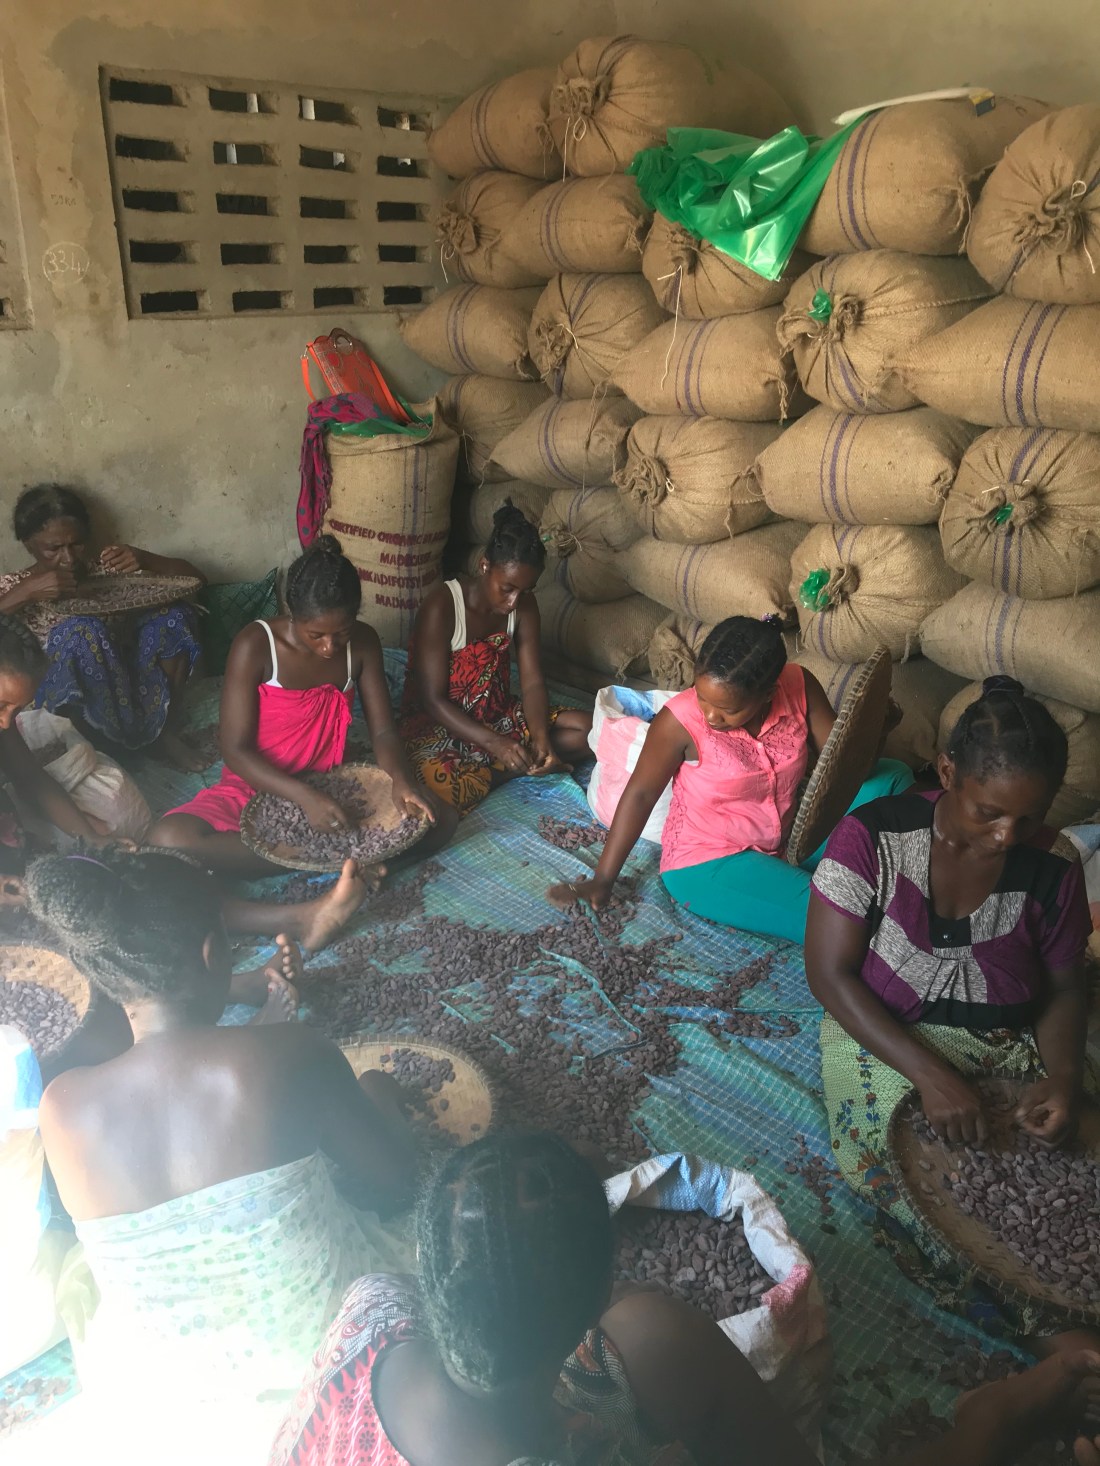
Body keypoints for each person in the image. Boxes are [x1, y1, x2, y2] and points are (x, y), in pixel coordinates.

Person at [270, 1131, 1100, 1466]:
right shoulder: (641, 1334)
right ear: (600, 1286)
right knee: (660, 1341)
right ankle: (1005, 1414)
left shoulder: (372, 1308)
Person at [24, 847, 420, 1464]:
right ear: (214, 952)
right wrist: (383, 1094)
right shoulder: (290, 1054)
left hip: (174, 1402)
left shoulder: (61, 1109)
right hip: (331, 1372)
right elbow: (396, 1178)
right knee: (378, 1104)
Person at [805, 676, 1097, 1352]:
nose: (1006, 835)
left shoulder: (1050, 864)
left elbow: (1063, 989)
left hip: (1007, 1037)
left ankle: (1072, 1306)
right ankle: (1054, 1334)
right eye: (989, 811)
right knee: (933, 1179)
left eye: (1028, 817)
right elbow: (828, 973)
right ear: (946, 774)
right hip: (885, 1033)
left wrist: (1058, 1077)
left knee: (1063, 1160)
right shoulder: (872, 838)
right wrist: (931, 1077)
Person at [0, 610, 375, 1003]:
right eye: (3, 706)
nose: (9, 721)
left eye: (17, 709)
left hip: (23, 867)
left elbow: (31, 779)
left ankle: (297, 920)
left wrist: (92, 839)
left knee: (139, 878)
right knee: (88, 947)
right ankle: (231, 986)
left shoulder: (4, 727)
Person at [548, 616, 912, 943]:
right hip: (711, 861)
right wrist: (603, 878)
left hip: (792, 838)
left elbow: (842, 766)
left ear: (768, 693)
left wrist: (871, 731)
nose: (710, 715)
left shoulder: (798, 685)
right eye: (702, 696)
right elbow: (641, 793)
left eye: (727, 709)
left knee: (892, 778)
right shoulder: (679, 722)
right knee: (838, 916)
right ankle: (865, 891)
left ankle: (888, 874)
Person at [150, 535, 452, 875]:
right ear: (293, 616)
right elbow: (234, 749)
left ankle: (315, 857)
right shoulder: (256, 645)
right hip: (260, 782)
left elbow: (382, 730)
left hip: (333, 780)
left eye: (342, 633)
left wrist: (400, 778)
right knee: (169, 838)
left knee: (440, 820)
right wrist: (304, 797)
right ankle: (338, 860)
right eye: (316, 635)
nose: (329, 647)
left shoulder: (363, 643)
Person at [398, 502, 592, 816]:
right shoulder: (443, 606)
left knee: (591, 728)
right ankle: (510, 770)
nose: (514, 601)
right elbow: (432, 701)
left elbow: (531, 683)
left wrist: (541, 737)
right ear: (485, 566)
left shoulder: (524, 608)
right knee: (441, 783)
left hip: (497, 713)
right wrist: (494, 743)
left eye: (525, 591)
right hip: (440, 723)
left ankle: (518, 761)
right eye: (507, 588)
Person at [0, 484, 206, 770]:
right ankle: (102, 750)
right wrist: (26, 592)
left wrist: (146, 559)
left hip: (129, 684)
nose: (69, 558)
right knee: (83, 631)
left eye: (77, 544)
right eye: (54, 548)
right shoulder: (12, 587)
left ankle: (164, 733)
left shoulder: (107, 569)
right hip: (68, 702)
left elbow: (196, 580)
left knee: (173, 615)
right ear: (27, 544)